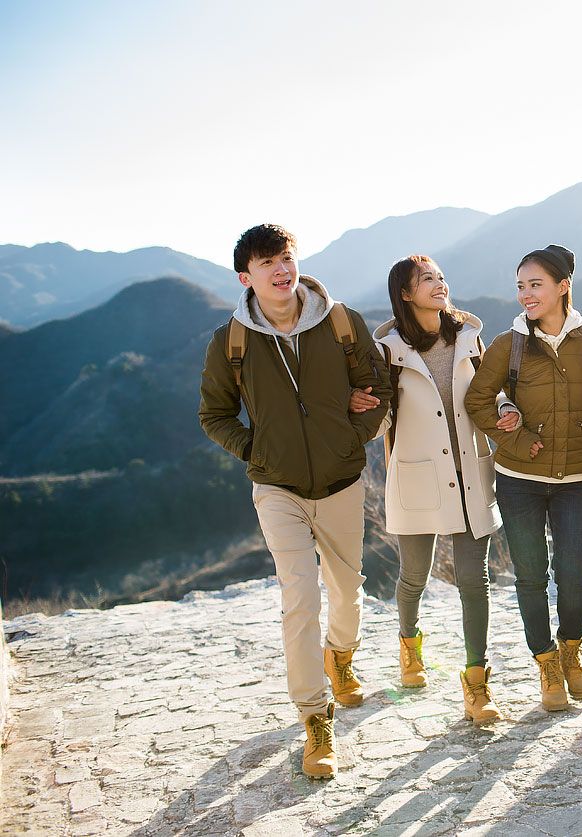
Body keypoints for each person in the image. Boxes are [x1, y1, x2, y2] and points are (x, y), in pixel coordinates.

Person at [199, 223, 392, 779]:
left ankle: (342, 659)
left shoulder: (339, 321)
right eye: (267, 264)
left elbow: (377, 385)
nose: (281, 270)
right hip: (276, 485)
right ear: (246, 277)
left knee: (347, 591)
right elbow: (213, 415)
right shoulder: (231, 342)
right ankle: (315, 720)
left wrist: (354, 432)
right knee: (300, 598)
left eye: (285, 258)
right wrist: (254, 447)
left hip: (341, 479)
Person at [359, 254, 516, 726]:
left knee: (475, 581)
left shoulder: (470, 336)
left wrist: (508, 408)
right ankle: (409, 645)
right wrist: (360, 413)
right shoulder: (388, 350)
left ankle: (476, 681)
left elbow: (492, 388)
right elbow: (380, 417)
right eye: (426, 279)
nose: (439, 284)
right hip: (417, 477)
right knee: (414, 577)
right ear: (405, 294)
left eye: (442, 277)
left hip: (470, 472)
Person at [466, 244, 582, 713]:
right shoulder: (509, 344)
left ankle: (571, 651)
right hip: (519, 477)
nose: (525, 294)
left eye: (535, 284)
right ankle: (545, 663)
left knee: (573, 573)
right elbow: (477, 401)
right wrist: (518, 440)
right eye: (520, 286)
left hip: (576, 476)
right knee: (529, 574)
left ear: (563, 286)